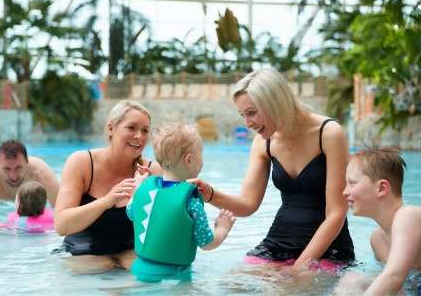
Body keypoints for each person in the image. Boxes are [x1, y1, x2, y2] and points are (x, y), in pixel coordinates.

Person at [190, 68, 355, 273]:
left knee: (291, 288)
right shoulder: (263, 142)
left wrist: (299, 268)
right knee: (233, 282)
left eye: (252, 113)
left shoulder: (329, 133)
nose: (248, 123)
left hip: (328, 248)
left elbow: (337, 213)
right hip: (278, 243)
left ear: (274, 102)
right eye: (243, 115)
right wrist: (210, 194)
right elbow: (247, 204)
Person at [54, 100, 161, 272]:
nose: (139, 136)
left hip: (130, 251)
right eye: (132, 128)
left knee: (144, 273)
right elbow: (61, 225)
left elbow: (164, 229)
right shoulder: (82, 163)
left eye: (145, 131)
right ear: (111, 129)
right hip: (83, 251)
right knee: (96, 269)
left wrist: (144, 194)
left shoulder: (152, 172)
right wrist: (107, 200)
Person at [126, 122, 236, 282]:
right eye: (201, 153)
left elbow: (130, 212)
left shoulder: (144, 189)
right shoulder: (190, 201)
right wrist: (223, 228)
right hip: (174, 277)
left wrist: (136, 188)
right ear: (189, 160)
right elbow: (206, 242)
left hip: (140, 270)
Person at [336, 147, 421, 295]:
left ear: (381, 188)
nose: (344, 192)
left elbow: (394, 278)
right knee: (351, 279)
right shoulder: (377, 240)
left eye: (352, 183)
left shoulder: (409, 216)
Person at [0, 140, 59, 215]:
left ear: (27, 162)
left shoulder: (42, 175)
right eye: (7, 169)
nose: (14, 177)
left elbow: (60, 210)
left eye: (18, 168)